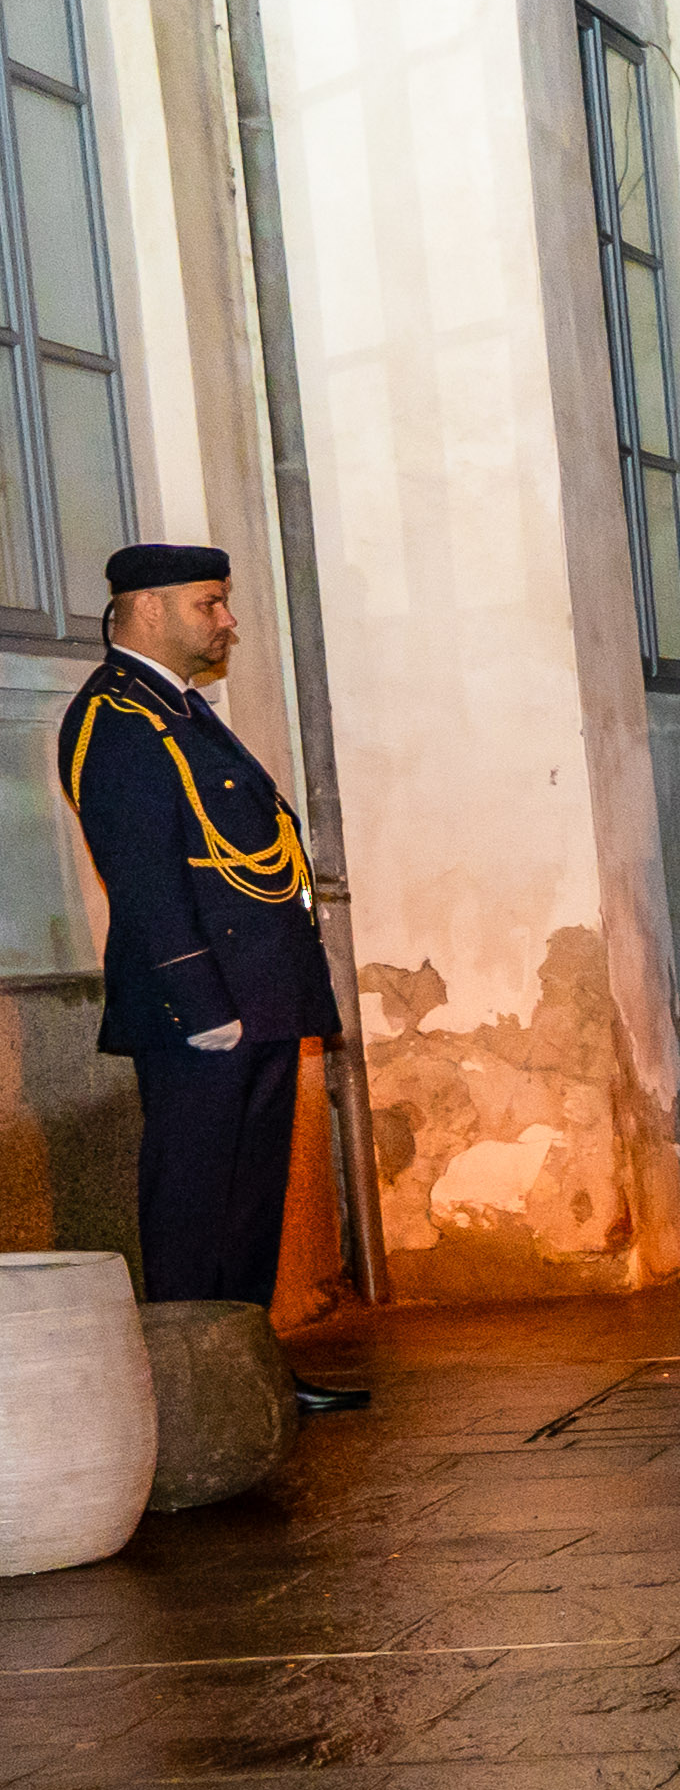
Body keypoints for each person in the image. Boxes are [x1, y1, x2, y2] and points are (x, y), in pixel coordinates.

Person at [51, 541, 355, 1408]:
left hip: (254, 990)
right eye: (208, 603)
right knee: (193, 1206)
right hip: (203, 1005)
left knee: (250, 1204)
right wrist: (200, 999)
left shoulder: (177, 707)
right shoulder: (116, 716)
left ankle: (247, 1377)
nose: (226, 621)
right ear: (146, 607)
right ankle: (187, 1396)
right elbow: (142, 872)